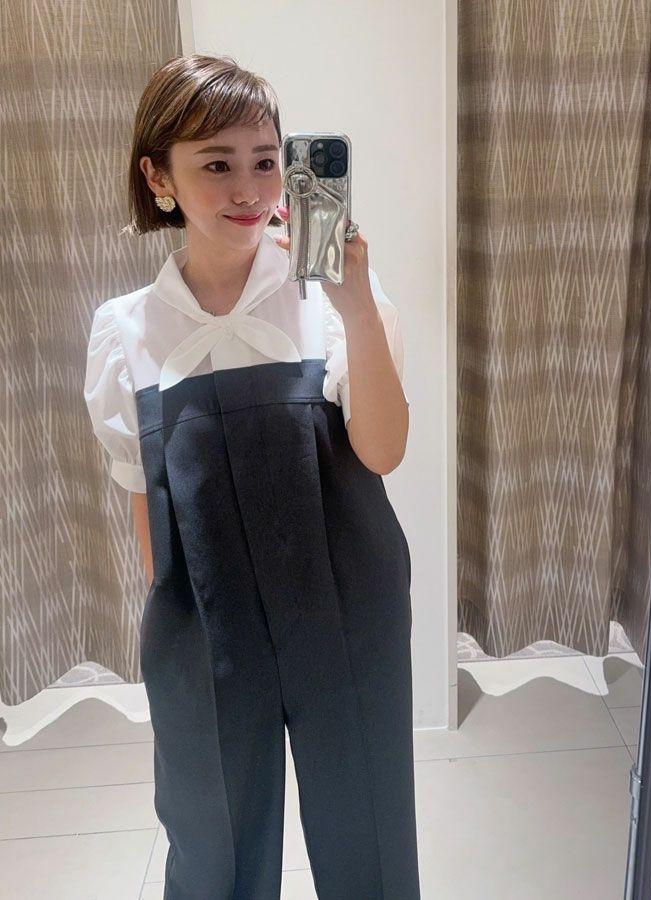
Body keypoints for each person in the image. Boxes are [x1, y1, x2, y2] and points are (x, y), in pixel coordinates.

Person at [82, 53, 420, 900]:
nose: (249, 189)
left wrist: (356, 308)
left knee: (368, 839)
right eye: (216, 164)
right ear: (158, 177)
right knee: (213, 852)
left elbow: (382, 452)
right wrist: (179, 621)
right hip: (207, 628)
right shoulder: (126, 331)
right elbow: (142, 494)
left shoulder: (332, 302)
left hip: (346, 608)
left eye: (266, 161)